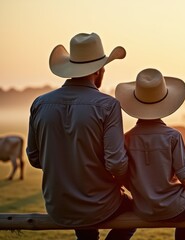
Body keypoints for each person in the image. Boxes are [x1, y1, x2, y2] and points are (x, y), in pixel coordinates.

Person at [26, 32, 136, 240]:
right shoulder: (108, 105)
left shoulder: (40, 103)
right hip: (98, 204)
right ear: (98, 71)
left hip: (58, 205)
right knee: (132, 209)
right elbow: (116, 164)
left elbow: (34, 158)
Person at [115, 68, 185, 240]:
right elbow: (184, 176)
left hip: (142, 208)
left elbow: (123, 175)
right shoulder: (173, 136)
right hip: (173, 206)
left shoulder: (127, 138)